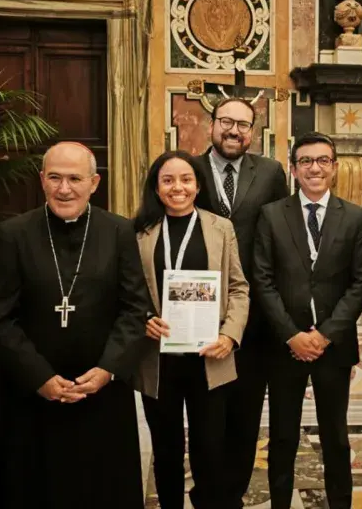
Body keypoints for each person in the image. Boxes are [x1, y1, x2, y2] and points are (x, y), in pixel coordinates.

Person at [0, 142, 150, 508]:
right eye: (54, 177)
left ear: (94, 182)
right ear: (42, 180)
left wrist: (107, 370)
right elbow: (1, 317)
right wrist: (39, 377)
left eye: (74, 178)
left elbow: (134, 309)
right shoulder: (14, 234)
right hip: (28, 390)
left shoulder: (118, 232)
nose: (64, 188)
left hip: (98, 389)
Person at [253, 131, 362, 509]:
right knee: (283, 436)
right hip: (284, 346)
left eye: (323, 160)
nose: (314, 168)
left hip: (333, 348)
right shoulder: (272, 215)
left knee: (336, 435)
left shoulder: (356, 218)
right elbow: (262, 279)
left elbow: (359, 282)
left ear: (334, 167)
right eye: (306, 161)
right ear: (293, 168)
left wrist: (324, 335)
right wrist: (291, 335)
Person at [133, 150, 249, 509]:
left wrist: (230, 336)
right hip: (158, 360)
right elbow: (126, 290)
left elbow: (239, 288)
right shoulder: (138, 232)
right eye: (168, 180)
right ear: (156, 187)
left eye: (186, 179)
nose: (177, 187)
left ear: (198, 185)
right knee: (166, 451)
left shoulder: (221, 228)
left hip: (209, 357)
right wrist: (142, 320)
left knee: (210, 450)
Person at [192, 97, 288, 506]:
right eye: (226, 122)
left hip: (254, 318)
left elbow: (282, 235)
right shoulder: (186, 170)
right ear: (211, 124)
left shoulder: (270, 173)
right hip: (199, 312)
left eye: (243, 125)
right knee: (205, 415)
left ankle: (232, 494)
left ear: (254, 131)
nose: (234, 131)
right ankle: (207, 492)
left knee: (246, 414)